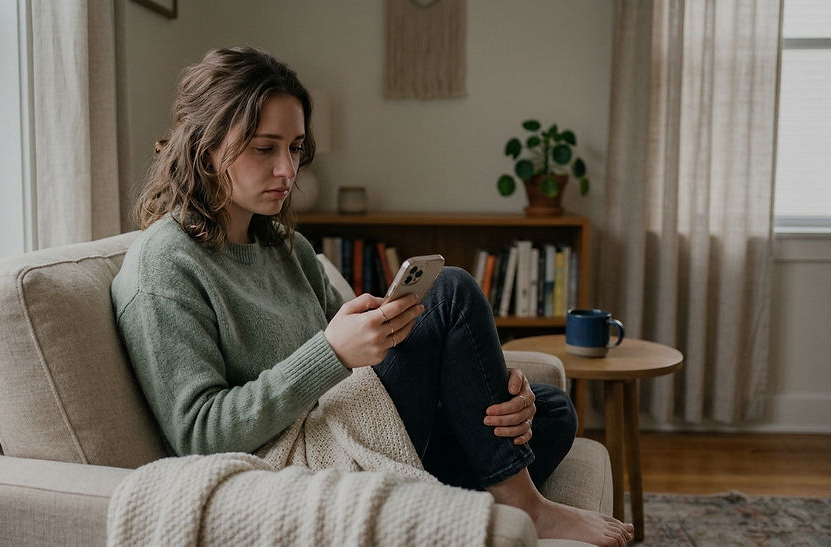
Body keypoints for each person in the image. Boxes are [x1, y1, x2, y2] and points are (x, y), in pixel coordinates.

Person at [111, 46, 633, 546]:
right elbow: (198, 434)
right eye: (264, 148)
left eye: (295, 149)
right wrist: (332, 353)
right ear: (204, 144)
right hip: (294, 457)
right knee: (449, 290)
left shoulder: (285, 247)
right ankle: (524, 507)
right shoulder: (165, 264)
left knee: (549, 410)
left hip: (347, 426)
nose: (287, 171)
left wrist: (486, 383)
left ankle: (449, 504)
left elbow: (348, 385)